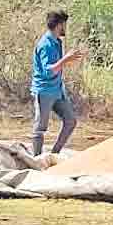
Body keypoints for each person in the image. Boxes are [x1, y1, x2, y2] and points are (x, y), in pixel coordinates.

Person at [30, 10, 84, 157]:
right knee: (40, 128)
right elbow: (48, 71)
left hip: (57, 90)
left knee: (70, 121)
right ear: (59, 25)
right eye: (64, 24)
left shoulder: (57, 42)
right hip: (44, 91)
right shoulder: (45, 44)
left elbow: (56, 67)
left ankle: (54, 154)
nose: (65, 28)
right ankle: (36, 159)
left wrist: (67, 60)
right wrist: (65, 59)